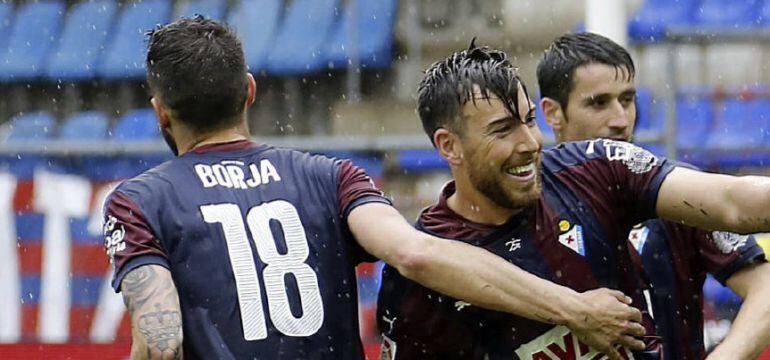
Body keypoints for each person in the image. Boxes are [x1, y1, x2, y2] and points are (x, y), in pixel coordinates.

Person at [101, 17, 644, 360]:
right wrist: (574, 309)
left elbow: (161, 343)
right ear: (249, 91)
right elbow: (417, 252)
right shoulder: (329, 177)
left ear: (160, 112)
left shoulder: (139, 201)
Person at [377, 40, 770, 359]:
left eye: (529, 121)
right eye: (503, 130)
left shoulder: (597, 168)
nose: (530, 144)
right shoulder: (427, 269)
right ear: (450, 146)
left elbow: (735, 202)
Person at [537, 32, 770, 360]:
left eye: (628, 99)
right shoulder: (524, 206)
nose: (620, 119)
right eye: (599, 102)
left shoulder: (676, 193)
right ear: (552, 113)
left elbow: (765, 287)